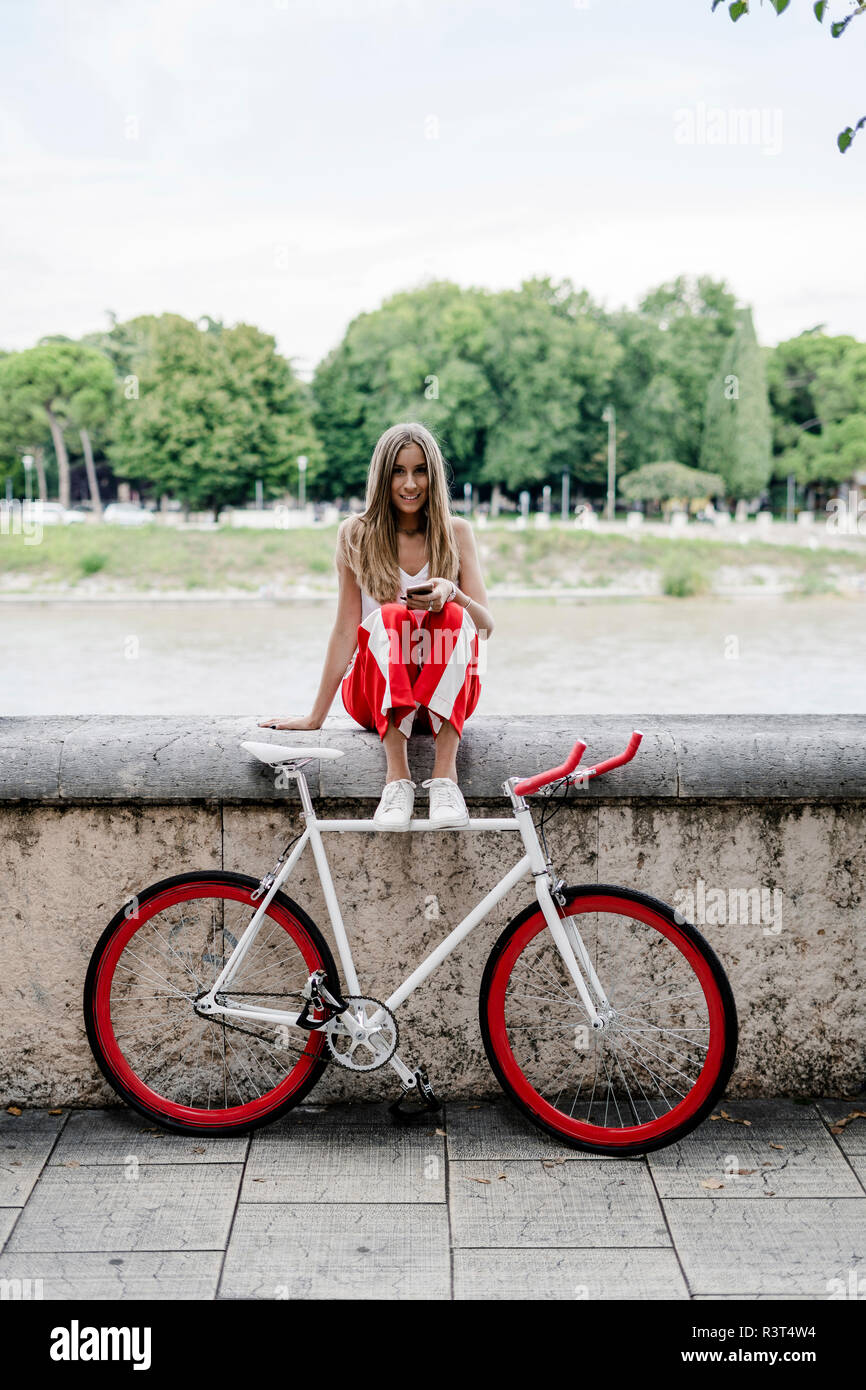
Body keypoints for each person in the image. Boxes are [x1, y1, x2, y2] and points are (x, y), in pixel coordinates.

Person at [259, 422, 494, 829]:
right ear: (382, 477)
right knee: (390, 616)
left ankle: (444, 778)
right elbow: (346, 629)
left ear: (433, 476)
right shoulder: (356, 534)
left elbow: (485, 627)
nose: (409, 483)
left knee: (453, 616)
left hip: (443, 700)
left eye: (420, 471)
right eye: (398, 472)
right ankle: (397, 778)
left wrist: (451, 593)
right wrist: (316, 716)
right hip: (375, 697)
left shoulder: (457, 533)